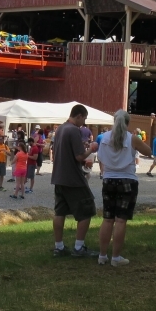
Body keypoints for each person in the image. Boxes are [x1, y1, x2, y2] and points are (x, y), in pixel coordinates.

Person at [96, 109, 153, 266]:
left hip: (108, 180)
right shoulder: (132, 139)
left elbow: (100, 157)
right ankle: (115, 257)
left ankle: (102, 256)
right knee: (120, 220)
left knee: (107, 219)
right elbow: (148, 152)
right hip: (127, 180)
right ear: (127, 123)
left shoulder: (104, 138)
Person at [51, 104, 99, 258]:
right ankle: (79, 247)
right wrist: (91, 149)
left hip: (59, 176)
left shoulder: (61, 129)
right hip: (73, 178)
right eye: (84, 118)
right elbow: (79, 157)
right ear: (78, 115)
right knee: (87, 208)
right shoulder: (74, 130)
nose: (83, 122)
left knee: (60, 212)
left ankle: (59, 247)